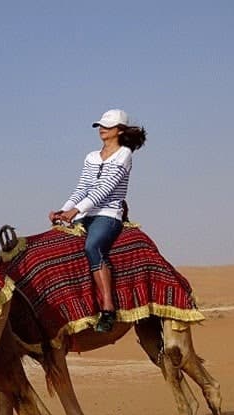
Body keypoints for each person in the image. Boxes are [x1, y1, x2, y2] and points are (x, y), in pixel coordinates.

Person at [49, 109, 147, 333]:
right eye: (100, 126)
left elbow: (106, 188)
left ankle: (108, 309)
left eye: (107, 126)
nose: (101, 129)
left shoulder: (124, 154)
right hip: (84, 215)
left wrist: (76, 210)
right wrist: (63, 209)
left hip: (108, 214)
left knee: (93, 246)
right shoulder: (91, 157)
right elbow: (82, 187)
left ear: (120, 131)